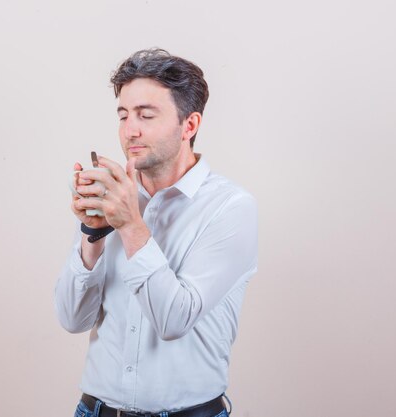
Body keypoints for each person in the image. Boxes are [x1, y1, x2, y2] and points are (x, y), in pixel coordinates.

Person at [55, 48, 258, 417]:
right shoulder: (115, 195)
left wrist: (131, 224)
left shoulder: (231, 208)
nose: (129, 129)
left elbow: (173, 320)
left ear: (190, 125)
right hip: (95, 410)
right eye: (123, 115)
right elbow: (72, 318)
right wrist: (93, 231)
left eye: (146, 115)